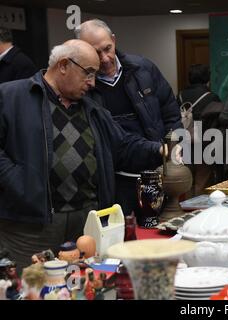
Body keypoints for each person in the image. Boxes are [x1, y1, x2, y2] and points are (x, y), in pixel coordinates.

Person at [0, 39, 165, 272]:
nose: (92, 82)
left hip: (87, 224)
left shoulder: (93, 107)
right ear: (64, 65)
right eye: (88, 73)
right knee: (34, 288)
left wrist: (160, 150)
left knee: (88, 287)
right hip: (30, 227)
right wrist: (18, 182)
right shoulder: (11, 97)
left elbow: (124, 145)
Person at [74, 19, 182, 218]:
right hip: (115, 180)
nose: (105, 58)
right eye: (96, 53)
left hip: (156, 171)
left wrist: (175, 145)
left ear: (114, 40)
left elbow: (170, 111)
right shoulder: (83, 87)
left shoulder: (143, 69)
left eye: (108, 48)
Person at [177, 64, 223, 195]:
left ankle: (186, 211)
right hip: (204, 145)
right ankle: (198, 211)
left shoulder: (180, 96)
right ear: (207, 79)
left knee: (185, 182)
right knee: (201, 183)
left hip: (184, 143)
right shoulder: (212, 97)